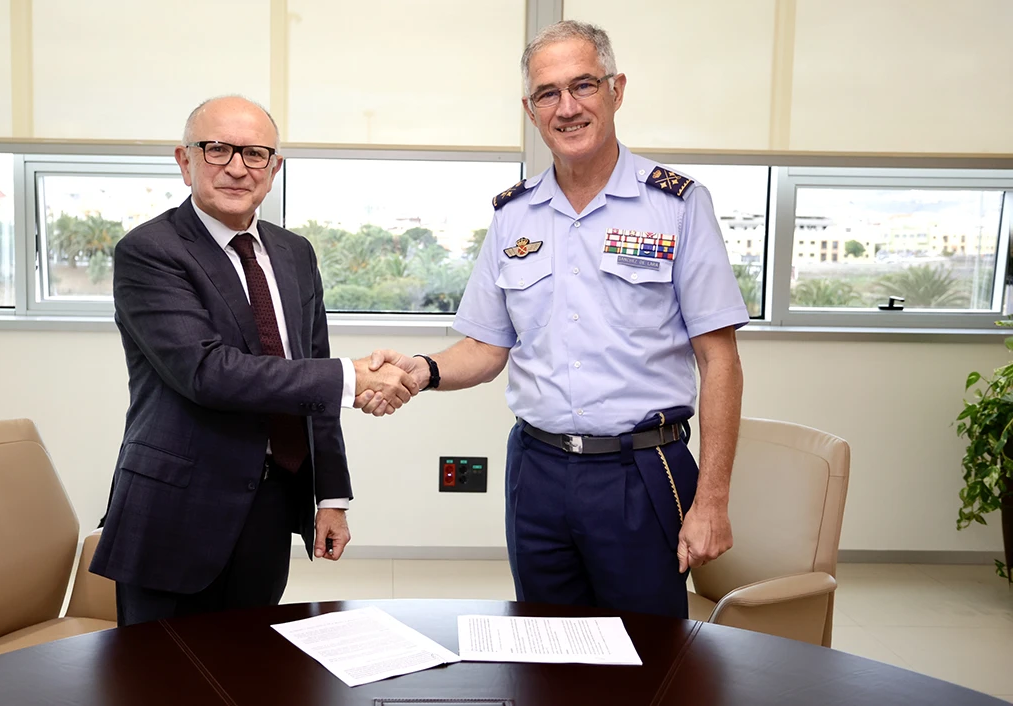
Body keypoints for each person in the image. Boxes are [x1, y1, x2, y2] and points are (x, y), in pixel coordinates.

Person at [361, 21, 748, 618]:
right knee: (544, 647)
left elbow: (718, 358)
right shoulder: (514, 216)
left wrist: (712, 498)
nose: (567, 108)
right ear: (530, 109)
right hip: (536, 471)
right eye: (548, 93)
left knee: (647, 654)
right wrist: (421, 370)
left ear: (616, 91)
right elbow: (487, 349)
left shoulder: (676, 204)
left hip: (641, 471)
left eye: (584, 86)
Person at [90, 95, 418, 626]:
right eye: (218, 149)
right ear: (185, 160)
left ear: (275, 168)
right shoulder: (150, 251)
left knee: (253, 668)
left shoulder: (294, 252)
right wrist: (352, 376)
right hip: (177, 508)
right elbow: (208, 373)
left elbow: (312, 372)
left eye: (256, 154)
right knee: (157, 679)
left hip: (271, 498)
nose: (238, 167)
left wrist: (331, 495)